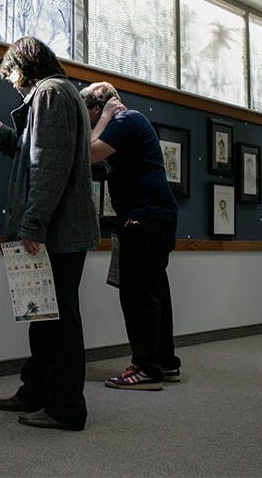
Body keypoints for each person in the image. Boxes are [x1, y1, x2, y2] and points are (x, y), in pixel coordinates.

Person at [0, 36, 99, 431]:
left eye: (12, 74)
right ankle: (36, 391)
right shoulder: (62, 93)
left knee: (58, 319)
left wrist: (33, 223)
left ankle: (66, 406)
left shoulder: (48, 94)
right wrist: (3, 137)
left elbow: (49, 166)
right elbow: (38, 154)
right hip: (60, 228)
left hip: (55, 231)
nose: (12, 84)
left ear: (24, 65)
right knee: (44, 314)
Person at [81, 81, 180, 391]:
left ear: (98, 107)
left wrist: (107, 117)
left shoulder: (125, 120)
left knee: (138, 293)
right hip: (151, 216)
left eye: (86, 114)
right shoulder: (125, 124)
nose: (86, 122)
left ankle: (146, 368)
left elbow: (89, 153)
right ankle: (164, 362)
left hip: (145, 217)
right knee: (154, 290)